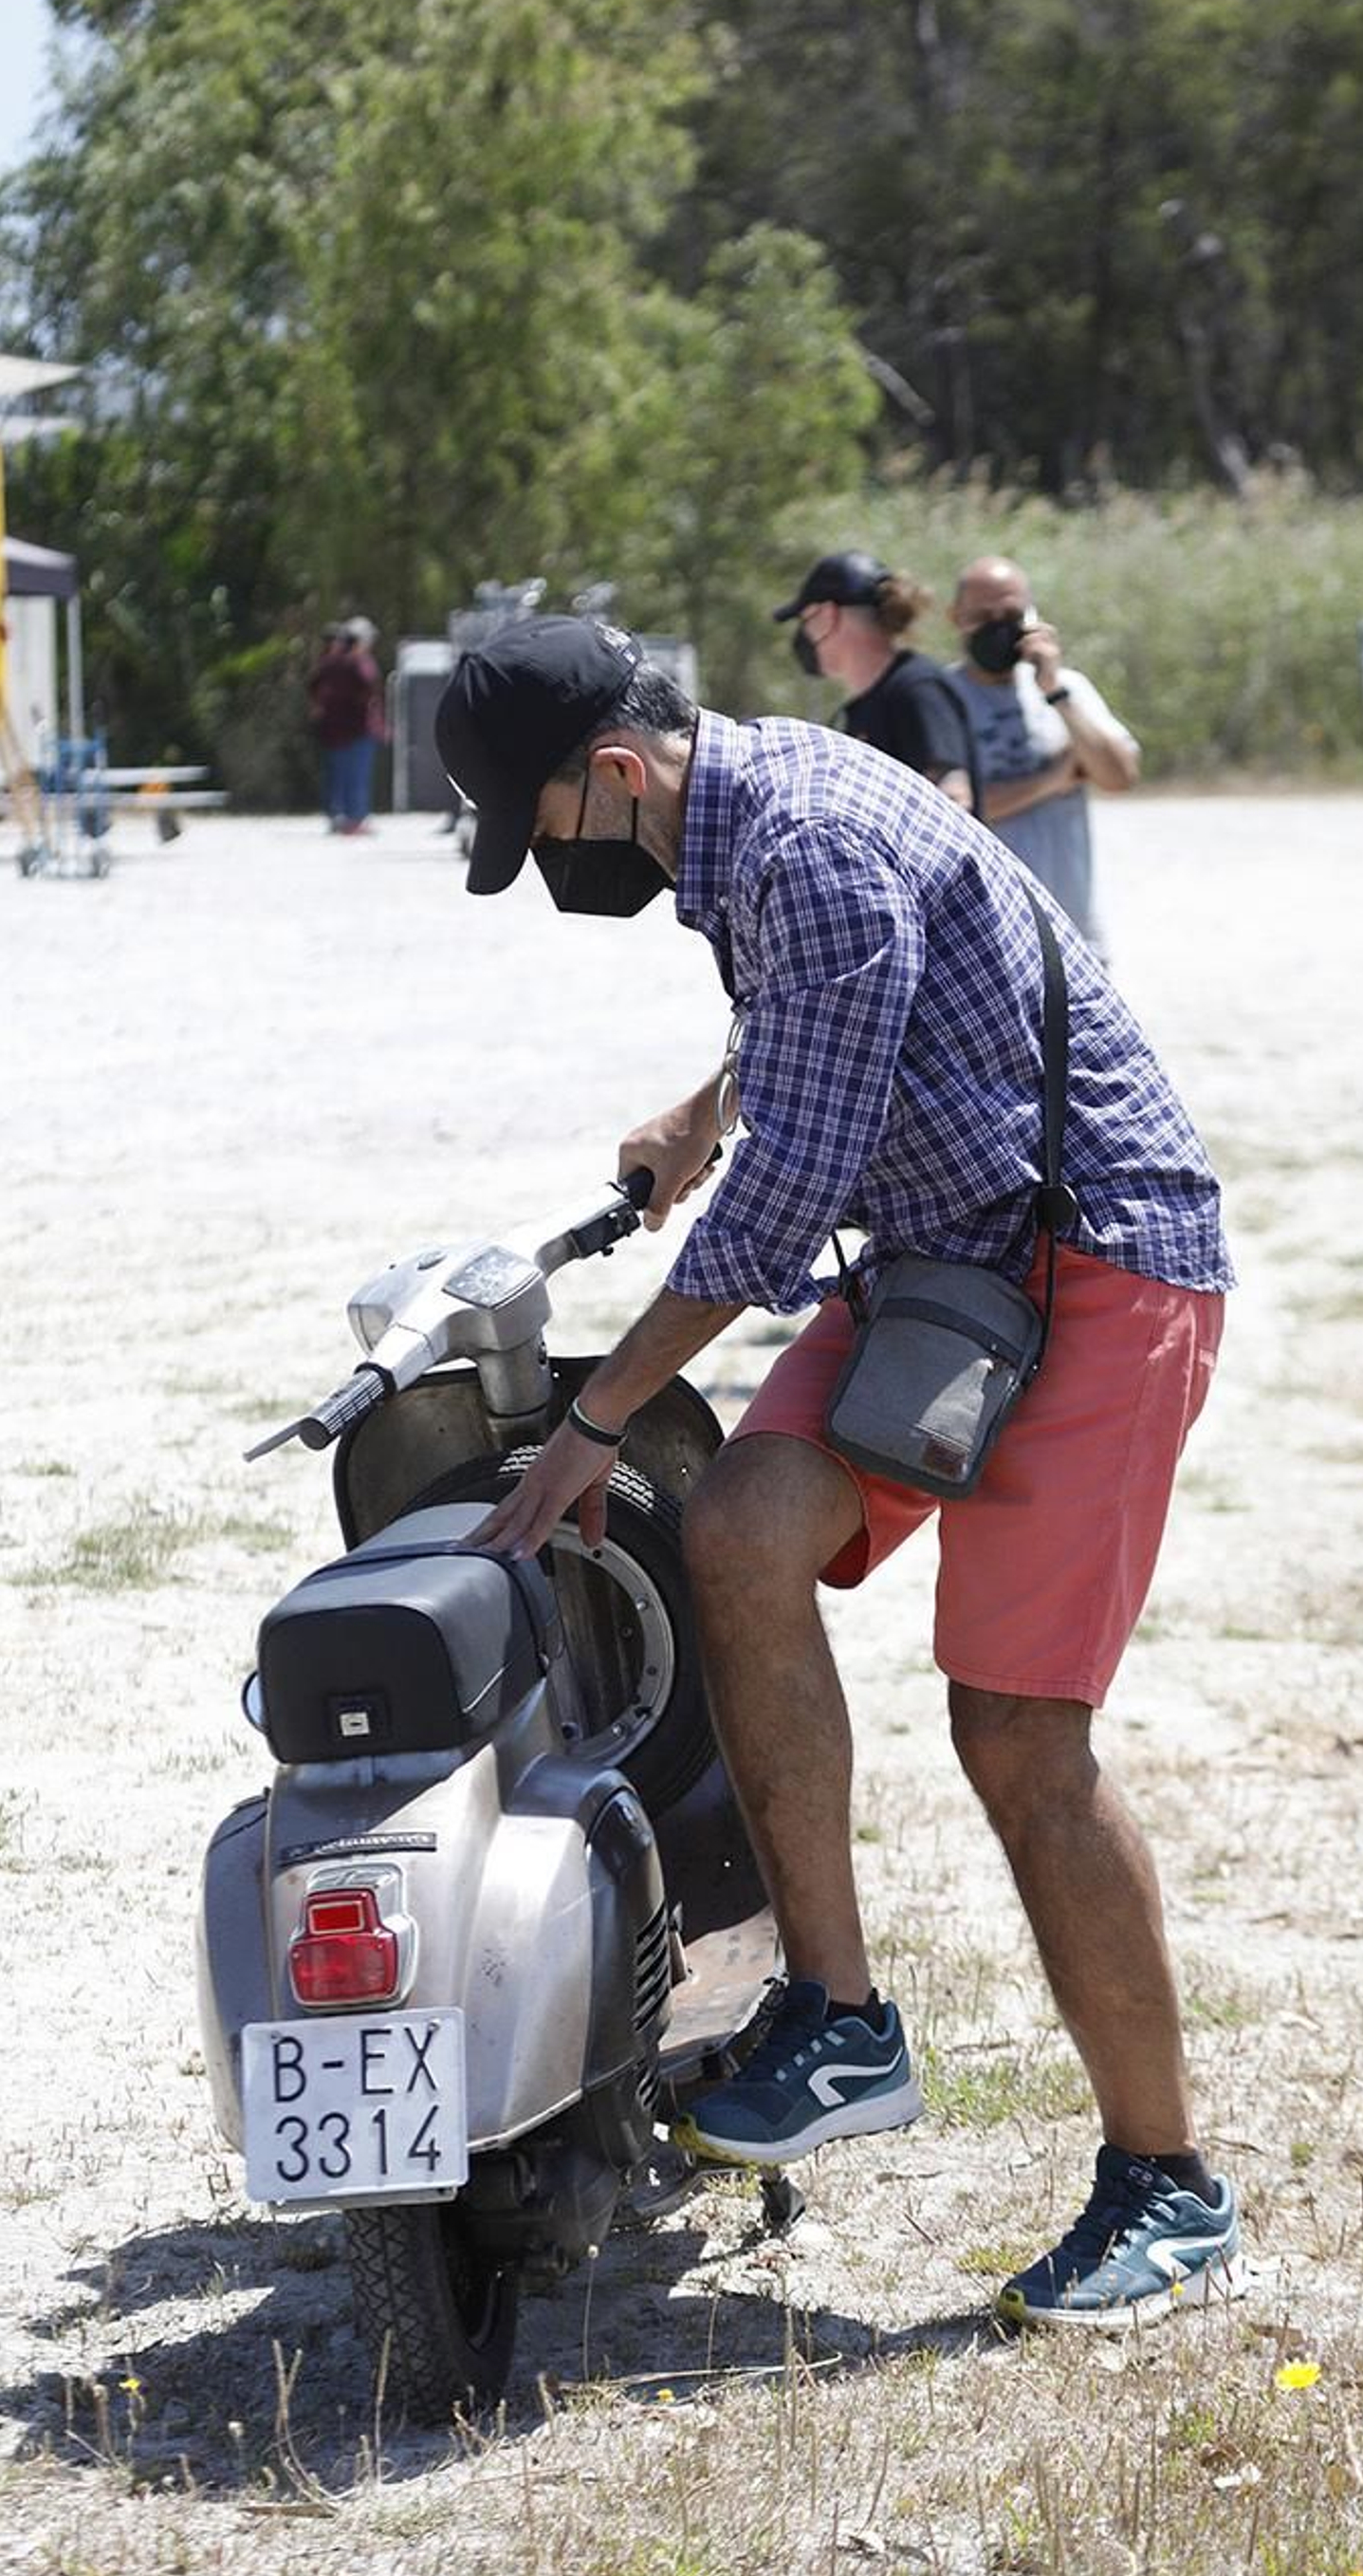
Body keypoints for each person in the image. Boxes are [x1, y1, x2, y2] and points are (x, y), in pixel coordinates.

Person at [433, 616, 1245, 2332]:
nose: (552, 859)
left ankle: (1168, 2182)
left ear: (618, 771)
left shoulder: (801, 841)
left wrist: (598, 1416)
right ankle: (842, 2018)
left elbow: (786, 1199)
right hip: (956, 1258)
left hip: (1096, 1262)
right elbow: (829, 1030)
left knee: (1017, 1735)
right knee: (738, 1526)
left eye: (544, 823)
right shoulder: (751, 816)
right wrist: (704, 1104)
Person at [947, 557, 1139, 955]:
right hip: (988, 943)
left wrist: (1054, 692)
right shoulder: (940, 699)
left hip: (1073, 934)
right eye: (983, 616)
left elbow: (1119, 777)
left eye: (1010, 616)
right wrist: (1053, 779)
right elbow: (950, 814)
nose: (998, 627)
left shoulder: (1067, 688)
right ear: (956, 618)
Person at [774, 549, 980, 813]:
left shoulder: (917, 688)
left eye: (805, 620)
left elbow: (955, 798)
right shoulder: (864, 707)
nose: (803, 634)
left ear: (828, 616)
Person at [306, 615, 385, 834]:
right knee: (357, 775)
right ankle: (355, 819)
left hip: (334, 730)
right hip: (357, 728)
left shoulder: (329, 663)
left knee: (338, 775)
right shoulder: (356, 663)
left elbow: (313, 687)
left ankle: (337, 815)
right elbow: (369, 688)